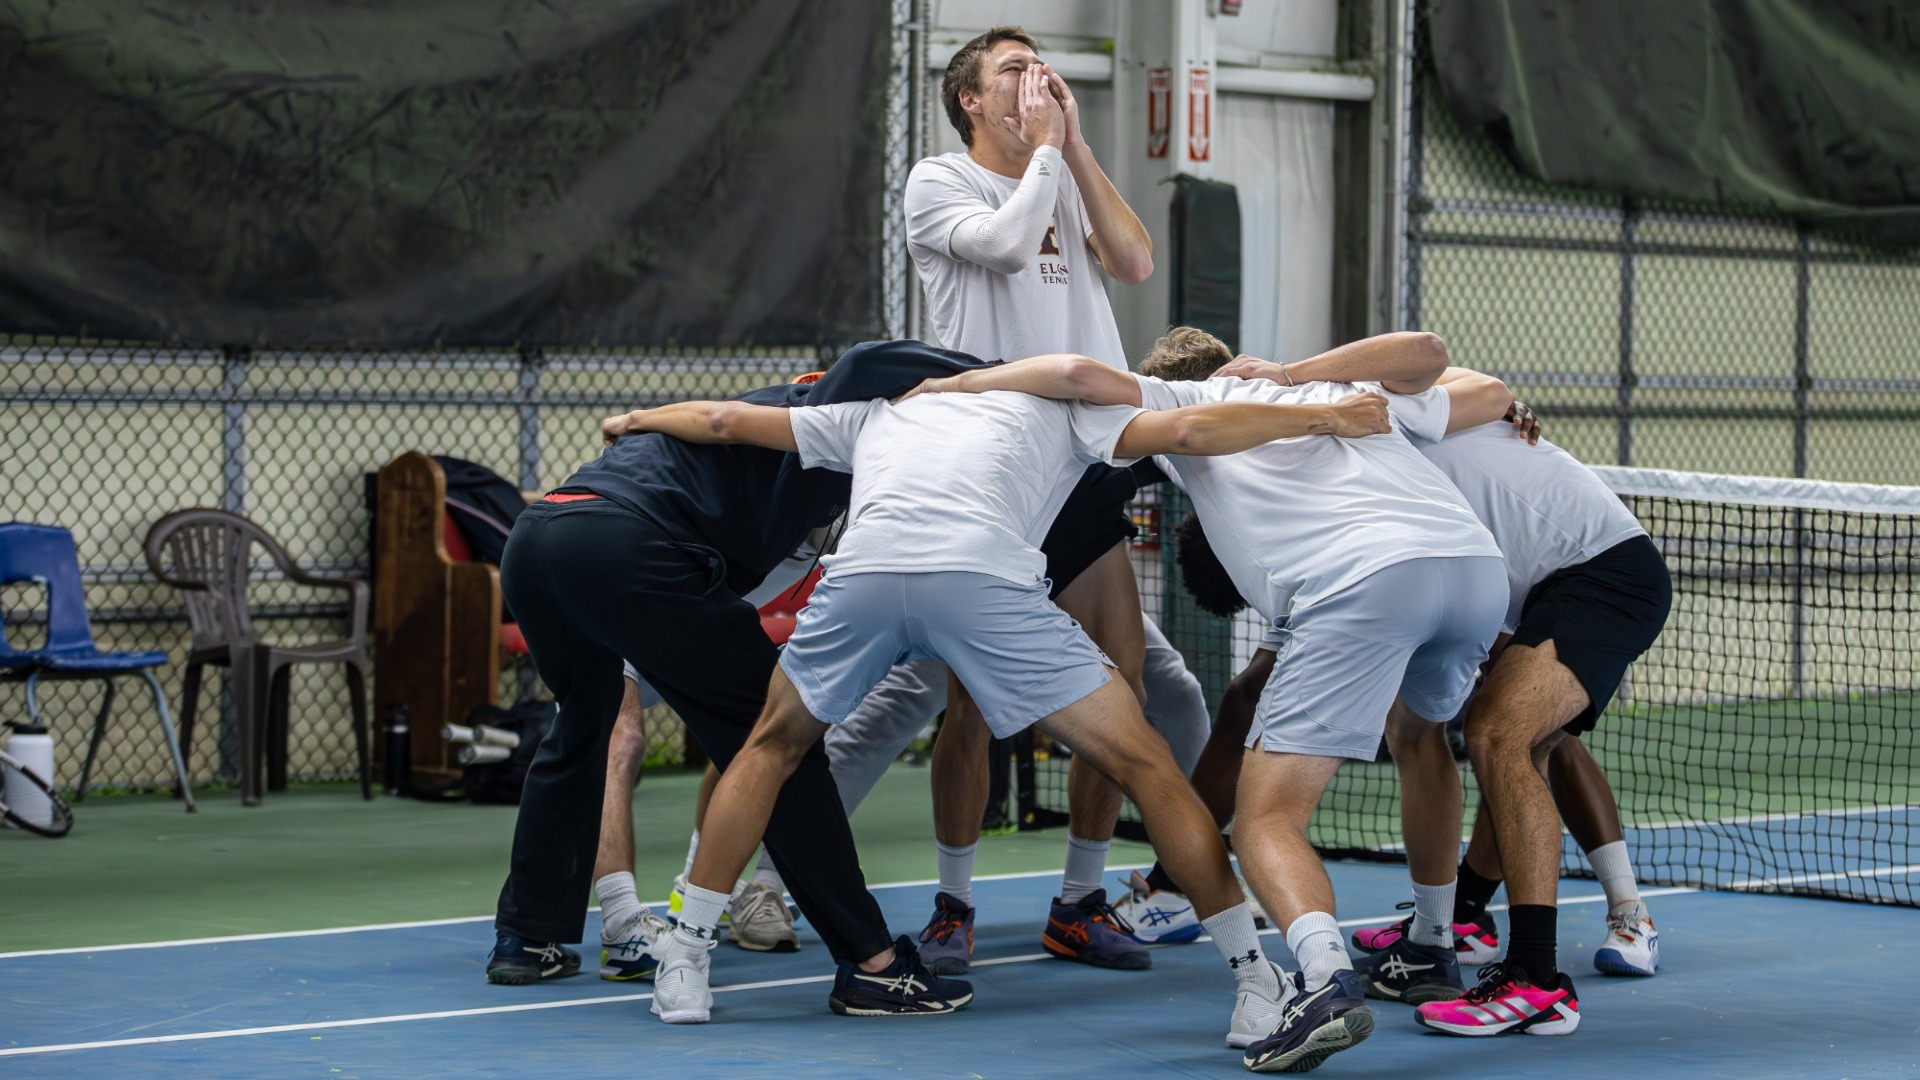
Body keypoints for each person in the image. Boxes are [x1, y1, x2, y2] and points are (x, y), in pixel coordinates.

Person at [607, 361, 1390, 1042]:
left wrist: (635, 417)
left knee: (770, 747)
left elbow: (721, 420)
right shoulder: (1062, 407)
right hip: (980, 580)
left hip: (865, 575)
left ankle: (683, 960)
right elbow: (1188, 432)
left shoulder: (881, 411)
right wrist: (1324, 413)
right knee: (1146, 762)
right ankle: (1256, 984)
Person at [910, 330, 1507, 1072]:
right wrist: (1294, 374)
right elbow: (1429, 349)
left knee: (1266, 819)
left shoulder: (1186, 398)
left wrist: (951, 387)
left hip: (1363, 582)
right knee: (1421, 742)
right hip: (1476, 570)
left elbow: (1070, 373)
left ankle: (1322, 983)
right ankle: (1431, 944)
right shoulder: (1337, 389)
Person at [483, 340, 997, 1020]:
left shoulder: (761, 409)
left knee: (581, 721)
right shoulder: (844, 429)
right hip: (627, 547)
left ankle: (527, 936)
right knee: (780, 743)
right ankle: (872, 962)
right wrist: (993, 376)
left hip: (539, 538)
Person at [900, 23, 1210, 972]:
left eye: (1043, 69)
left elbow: (1136, 261)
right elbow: (998, 246)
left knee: (1120, 683)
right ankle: (952, 904)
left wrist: (1071, 146)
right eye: (1013, 71)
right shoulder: (937, 182)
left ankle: (1078, 899)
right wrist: (1043, 156)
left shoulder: (1060, 167)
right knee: (970, 702)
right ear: (971, 100)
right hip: (990, 462)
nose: (1037, 82)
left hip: (1083, 458)